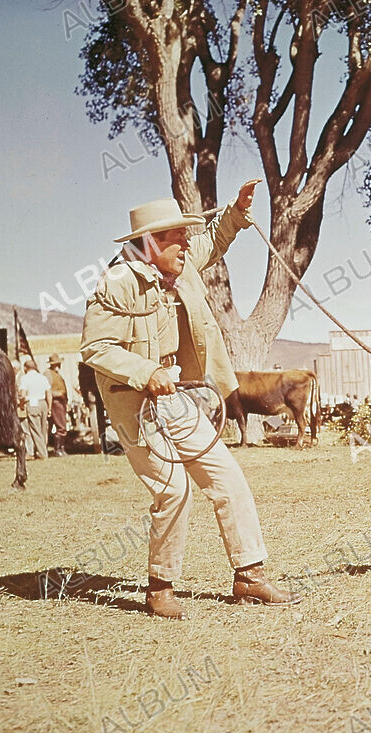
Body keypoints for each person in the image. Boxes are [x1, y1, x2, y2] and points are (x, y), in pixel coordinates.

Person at [80, 181, 301, 619]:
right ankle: (160, 587)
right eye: (176, 236)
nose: (186, 243)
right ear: (149, 242)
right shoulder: (117, 283)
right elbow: (96, 348)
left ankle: (249, 577)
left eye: (185, 235)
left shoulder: (180, 265)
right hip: (133, 405)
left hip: (175, 397)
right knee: (174, 489)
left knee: (228, 477)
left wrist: (237, 213)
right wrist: (146, 372)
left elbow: (214, 237)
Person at [19, 358, 51, 460]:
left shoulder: (25, 378)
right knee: (43, 429)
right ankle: (42, 449)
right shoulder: (42, 377)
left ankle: (42, 453)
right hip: (43, 402)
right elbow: (49, 394)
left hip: (32, 402)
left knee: (35, 430)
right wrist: (49, 407)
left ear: (25, 368)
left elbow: (23, 395)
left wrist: (21, 404)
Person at [44, 354, 69, 456]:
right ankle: (58, 449)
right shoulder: (48, 374)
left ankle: (59, 448)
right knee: (60, 426)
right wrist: (57, 394)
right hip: (55, 403)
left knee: (61, 426)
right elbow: (47, 390)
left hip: (60, 402)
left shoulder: (56, 374)